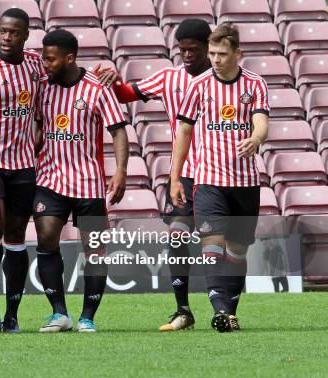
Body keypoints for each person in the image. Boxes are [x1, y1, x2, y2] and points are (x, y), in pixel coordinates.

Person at [95, 18, 213, 331]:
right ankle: (183, 309)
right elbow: (123, 94)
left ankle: (224, 307)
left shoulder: (224, 80)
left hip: (219, 174)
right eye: (182, 49)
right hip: (185, 172)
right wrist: (115, 78)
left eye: (194, 50)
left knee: (222, 243)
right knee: (177, 234)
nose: (187, 55)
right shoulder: (168, 77)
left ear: (209, 47)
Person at [170, 24, 270, 333]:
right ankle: (220, 309)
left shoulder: (255, 84)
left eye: (222, 54)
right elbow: (183, 132)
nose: (215, 59)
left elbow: (261, 122)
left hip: (245, 183)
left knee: (237, 251)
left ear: (237, 53)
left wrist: (255, 139)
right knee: (211, 245)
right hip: (208, 180)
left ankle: (229, 312)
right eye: (212, 53)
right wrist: (175, 177)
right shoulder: (198, 86)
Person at [34, 30, 129, 333]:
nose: (45, 64)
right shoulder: (41, 89)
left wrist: (121, 171)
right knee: (46, 236)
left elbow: (118, 131)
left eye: (50, 59)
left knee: (95, 249)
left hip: (88, 182)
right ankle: (59, 313)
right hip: (50, 178)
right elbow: (36, 126)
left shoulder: (97, 88)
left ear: (70, 57)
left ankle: (88, 316)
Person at [0, 8, 45, 333]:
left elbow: (52, 95)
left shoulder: (34, 65)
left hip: (24, 166)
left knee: (17, 236)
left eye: (14, 32)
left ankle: (12, 314)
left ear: (25, 35)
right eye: (2, 30)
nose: (6, 37)